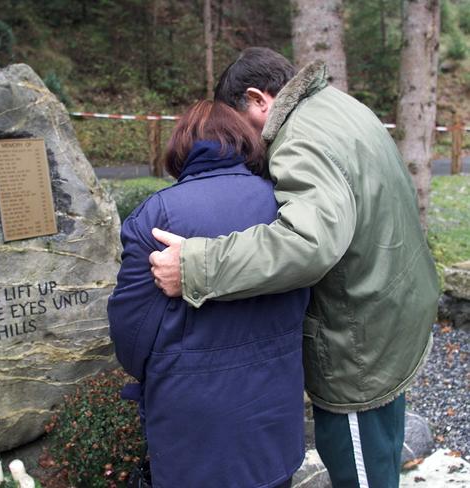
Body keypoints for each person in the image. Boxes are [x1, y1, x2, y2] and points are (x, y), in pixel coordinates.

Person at [148, 47, 440, 488]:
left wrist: (196, 265)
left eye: (239, 126)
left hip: (359, 343)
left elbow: (307, 243)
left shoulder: (300, 137)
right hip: (394, 310)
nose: (245, 145)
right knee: (380, 455)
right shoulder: (339, 107)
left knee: (359, 470)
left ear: (258, 99)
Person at [107, 99, 310, 488]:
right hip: (274, 411)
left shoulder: (156, 215)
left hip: (193, 424)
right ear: (244, 142)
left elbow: (130, 332)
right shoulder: (286, 204)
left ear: (181, 147)